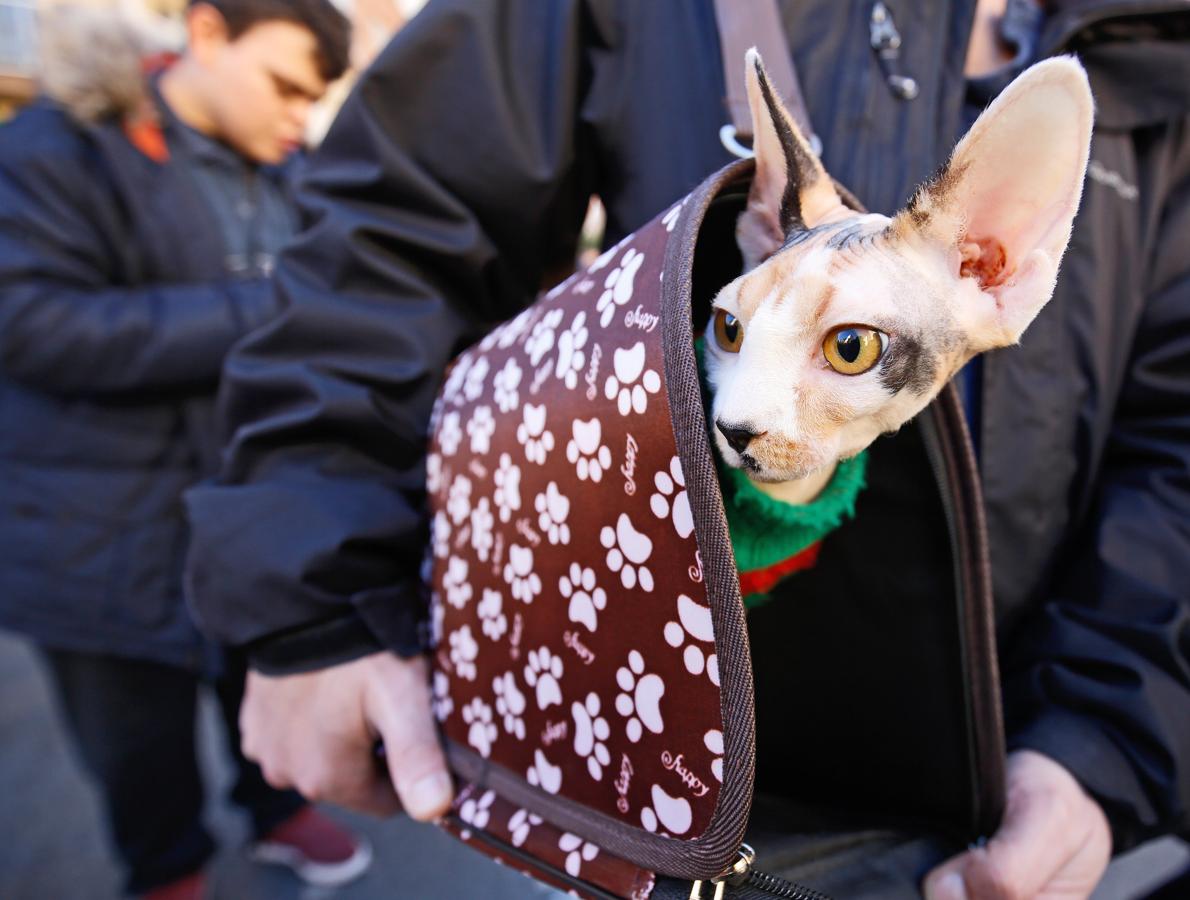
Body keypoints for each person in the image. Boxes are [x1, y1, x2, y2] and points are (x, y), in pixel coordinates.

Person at [183, 0, 1190, 896]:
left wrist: (1103, 745)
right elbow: (393, 225)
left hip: (994, 779)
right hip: (649, 767)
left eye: (847, 346)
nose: (741, 409)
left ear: (994, 264)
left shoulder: (1156, 46)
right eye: (730, 330)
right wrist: (315, 592)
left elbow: (1174, 434)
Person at [0, 2, 374, 897]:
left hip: (253, 515)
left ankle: (275, 811)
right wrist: (264, 307)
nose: (296, 117)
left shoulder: (296, 173)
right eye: (283, 87)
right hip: (97, 526)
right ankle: (166, 868)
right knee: (135, 739)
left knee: (262, 684)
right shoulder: (61, 146)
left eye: (310, 100)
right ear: (205, 31)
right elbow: (32, 323)